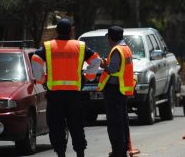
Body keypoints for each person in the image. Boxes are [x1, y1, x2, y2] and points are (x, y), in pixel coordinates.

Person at [31, 18, 101, 157]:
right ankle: (80, 153)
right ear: (70, 31)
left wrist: (41, 79)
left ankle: (61, 154)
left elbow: (35, 59)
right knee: (76, 125)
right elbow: (96, 60)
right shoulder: (80, 46)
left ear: (57, 31)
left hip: (55, 95)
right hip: (74, 95)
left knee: (57, 126)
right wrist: (88, 77)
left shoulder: (48, 46)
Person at [97, 26, 135, 157]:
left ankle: (118, 151)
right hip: (121, 90)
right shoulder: (126, 48)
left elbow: (112, 69)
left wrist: (103, 65)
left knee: (115, 123)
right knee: (122, 121)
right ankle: (123, 148)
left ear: (111, 37)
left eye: (108, 37)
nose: (107, 40)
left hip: (114, 90)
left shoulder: (117, 50)